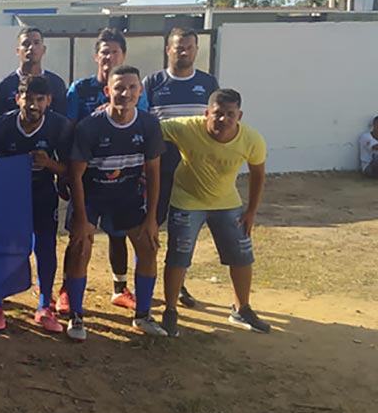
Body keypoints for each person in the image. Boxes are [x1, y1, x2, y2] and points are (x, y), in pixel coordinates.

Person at [64, 65, 167, 341]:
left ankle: (142, 316)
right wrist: (82, 220)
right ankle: (76, 315)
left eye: (132, 87)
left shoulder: (148, 124)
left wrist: (151, 218)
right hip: (92, 195)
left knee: (148, 247)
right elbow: (75, 175)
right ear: (108, 91)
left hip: (127, 196)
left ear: (140, 91)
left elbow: (154, 171)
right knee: (81, 249)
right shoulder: (90, 127)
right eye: (119, 88)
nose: (126, 93)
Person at [159, 89, 269, 336]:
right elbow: (149, 127)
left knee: (242, 255)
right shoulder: (186, 128)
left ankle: (242, 308)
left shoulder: (252, 140)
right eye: (218, 114)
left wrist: (251, 210)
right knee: (178, 256)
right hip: (187, 201)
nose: (224, 120)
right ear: (207, 113)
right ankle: (170, 311)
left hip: (227, 203)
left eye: (230, 114)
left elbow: (258, 174)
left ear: (239, 115)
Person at [60, 28, 150, 313]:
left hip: (122, 173)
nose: (109, 57)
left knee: (118, 234)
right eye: (104, 52)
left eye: (115, 52)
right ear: (96, 56)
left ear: (123, 55)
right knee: (79, 237)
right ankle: (67, 291)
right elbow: (70, 128)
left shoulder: (133, 87)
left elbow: (139, 120)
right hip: (88, 172)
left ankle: (120, 288)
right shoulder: (80, 88)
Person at [0, 75, 72, 334]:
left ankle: (44, 305)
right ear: (17, 99)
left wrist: (49, 164)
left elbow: (69, 168)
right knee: (3, 248)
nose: (33, 106)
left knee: (46, 246)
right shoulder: (1, 127)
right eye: (28, 99)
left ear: (48, 102)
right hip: (8, 195)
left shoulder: (59, 126)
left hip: (42, 192)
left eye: (39, 100)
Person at [143, 27, 219, 308]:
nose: (183, 51)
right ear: (168, 49)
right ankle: (145, 284)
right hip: (159, 170)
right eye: (178, 47)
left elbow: (214, 124)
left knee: (183, 233)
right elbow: (144, 122)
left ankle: (178, 286)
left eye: (189, 47)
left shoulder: (208, 83)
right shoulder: (153, 82)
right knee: (149, 228)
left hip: (193, 174)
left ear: (196, 50)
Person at [0, 27, 68, 121]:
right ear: (17, 51)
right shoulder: (3, 86)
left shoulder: (56, 84)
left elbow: (62, 120)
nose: (31, 47)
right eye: (26, 44)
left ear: (44, 49)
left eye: (36, 43)